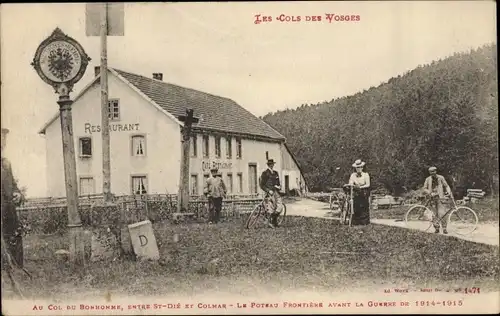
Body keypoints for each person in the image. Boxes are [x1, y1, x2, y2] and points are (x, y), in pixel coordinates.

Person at [1, 128, 24, 269]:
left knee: (14, 236)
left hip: (8, 209)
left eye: (4, 139)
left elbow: (14, 185)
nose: (3, 142)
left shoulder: (6, 164)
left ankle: (16, 269)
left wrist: (18, 194)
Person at [423, 166, 452, 234]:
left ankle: (444, 228)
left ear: (436, 171)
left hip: (440, 197)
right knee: (434, 214)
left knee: (442, 213)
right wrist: (430, 193)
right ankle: (436, 228)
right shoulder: (427, 179)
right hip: (432, 198)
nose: (432, 173)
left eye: (434, 171)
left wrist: (449, 192)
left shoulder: (441, 178)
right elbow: (424, 189)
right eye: (431, 172)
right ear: (429, 172)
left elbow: (446, 185)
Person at [259, 159, 283, 228]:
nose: (272, 165)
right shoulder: (265, 173)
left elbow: (278, 183)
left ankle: (273, 221)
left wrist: (279, 186)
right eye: (270, 164)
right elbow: (262, 185)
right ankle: (272, 223)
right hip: (269, 193)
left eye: (272, 164)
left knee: (279, 207)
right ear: (268, 165)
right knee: (271, 208)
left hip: (276, 192)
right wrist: (268, 190)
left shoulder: (276, 173)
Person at [348, 159, 371, 225]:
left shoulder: (365, 175)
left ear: (362, 167)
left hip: (364, 191)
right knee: (355, 205)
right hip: (356, 191)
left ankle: (364, 221)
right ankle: (356, 221)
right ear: (355, 168)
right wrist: (352, 185)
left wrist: (360, 187)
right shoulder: (353, 175)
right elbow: (350, 183)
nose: (358, 169)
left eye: (360, 167)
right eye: (357, 168)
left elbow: (368, 184)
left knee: (363, 206)